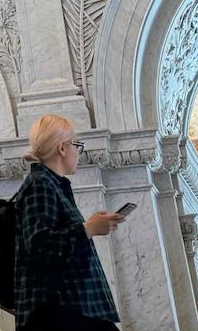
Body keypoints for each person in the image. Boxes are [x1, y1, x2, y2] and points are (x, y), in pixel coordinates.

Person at [13, 115, 124, 330]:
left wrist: (90, 227)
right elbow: (39, 244)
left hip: (72, 309)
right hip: (60, 312)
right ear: (62, 148)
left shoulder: (52, 184)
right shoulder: (40, 184)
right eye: (76, 145)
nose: (78, 152)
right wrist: (88, 229)